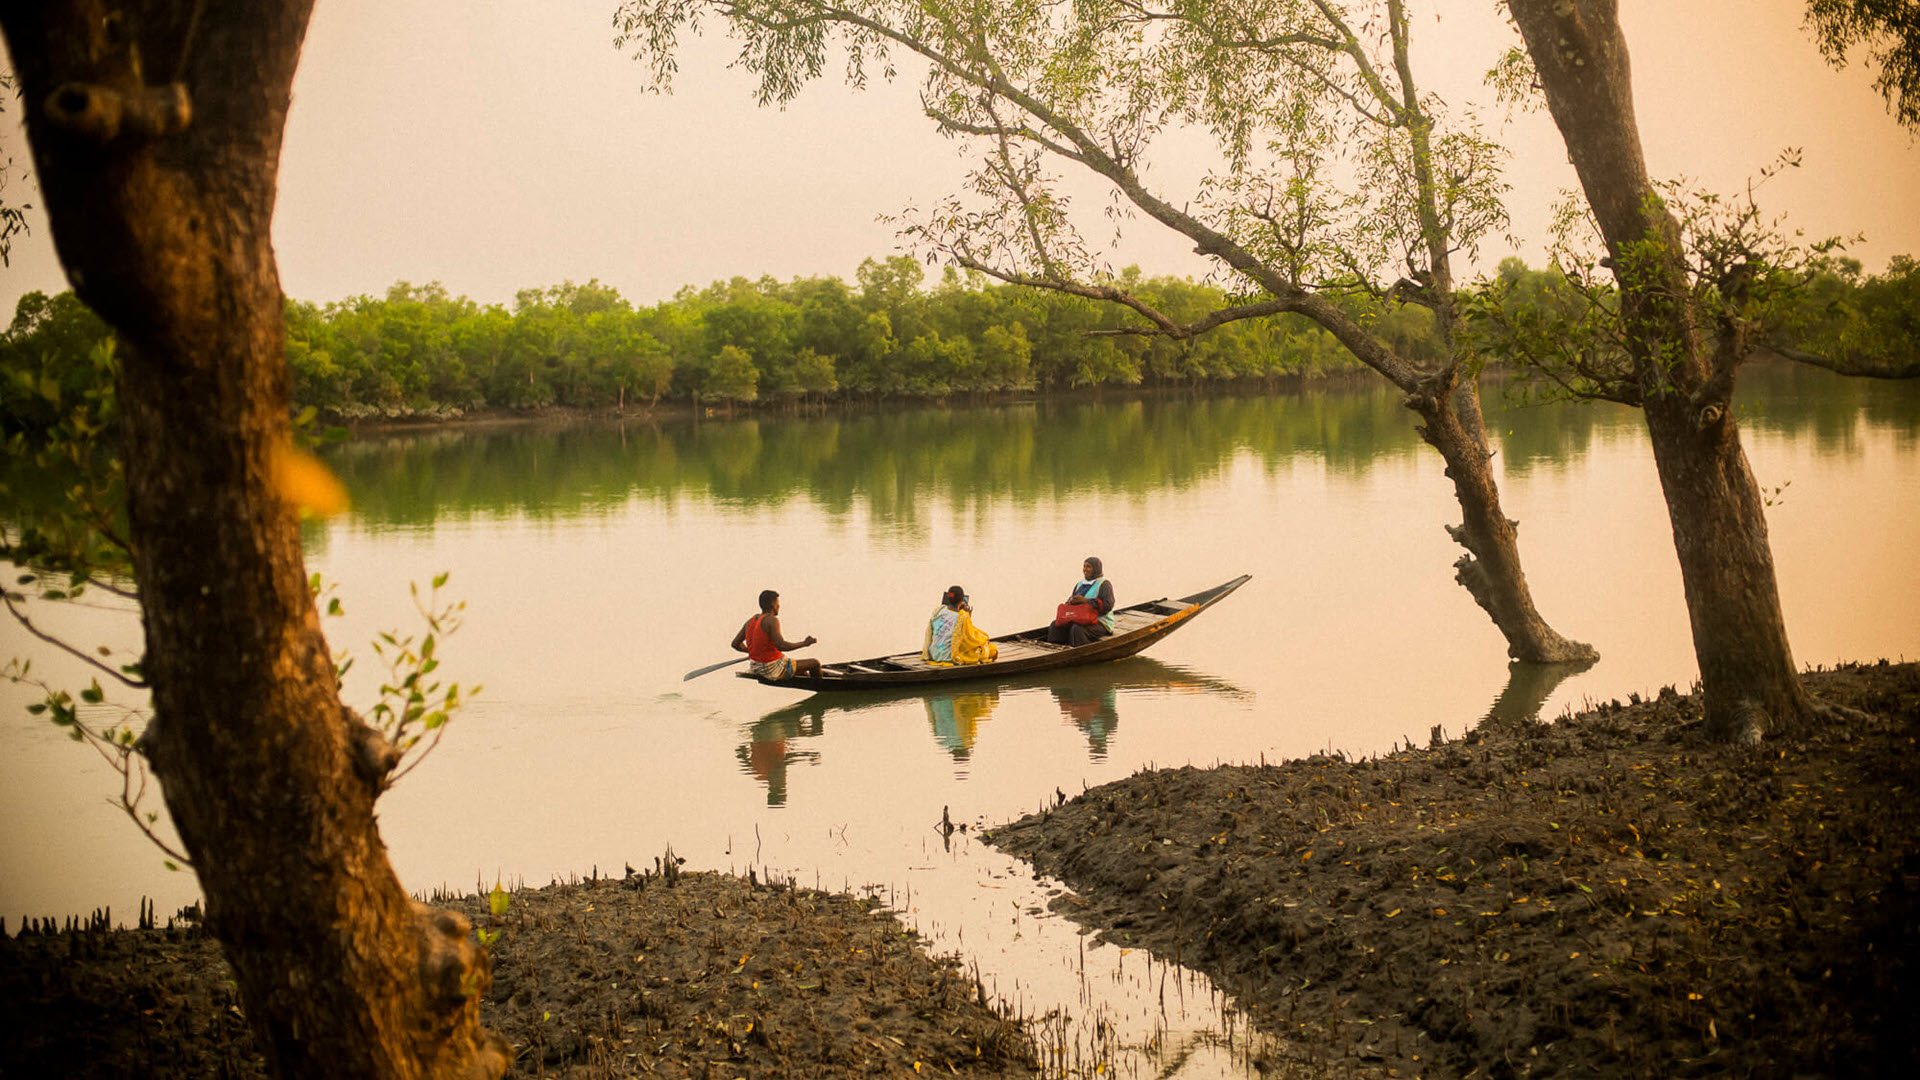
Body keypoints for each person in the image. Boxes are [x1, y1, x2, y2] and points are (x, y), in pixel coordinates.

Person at [732, 589, 821, 681]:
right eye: (777, 603)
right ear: (773, 605)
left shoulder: (750, 621)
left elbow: (735, 644)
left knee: (803, 672)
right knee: (815, 663)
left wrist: (753, 652)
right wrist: (804, 643)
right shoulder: (772, 620)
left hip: (756, 667)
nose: (779, 606)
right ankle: (821, 689)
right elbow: (781, 645)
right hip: (772, 668)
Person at [922, 585, 999, 665]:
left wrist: (966, 617)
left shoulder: (939, 611)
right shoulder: (962, 616)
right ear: (962, 600)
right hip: (948, 657)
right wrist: (968, 617)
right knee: (992, 650)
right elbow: (971, 638)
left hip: (934, 654)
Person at [1047, 556, 1115, 648]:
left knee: (1077, 629)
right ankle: (1054, 651)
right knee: (1055, 625)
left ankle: (1080, 653)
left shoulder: (1104, 584)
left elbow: (1108, 605)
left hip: (1100, 622)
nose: (1085, 569)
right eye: (1084, 566)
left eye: (1088, 567)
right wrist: (1070, 602)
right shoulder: (1080, 584)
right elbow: (1073, 602)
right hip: (1080, 618)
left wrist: (1086, 601)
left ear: (1096, 568)